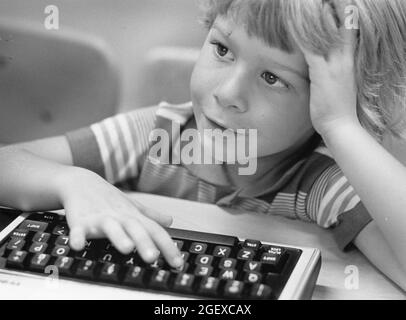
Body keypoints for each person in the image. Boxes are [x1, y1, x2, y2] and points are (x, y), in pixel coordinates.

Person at [1, 0, 406, 289]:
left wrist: (341, 126)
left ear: (331, 98)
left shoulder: (319, 182)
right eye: (223, 49)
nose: (228, 92)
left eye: (272, 78)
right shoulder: (155, 136)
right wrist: (72, 182)